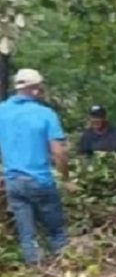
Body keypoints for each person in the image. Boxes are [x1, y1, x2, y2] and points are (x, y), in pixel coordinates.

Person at [0, 68, 71, 265]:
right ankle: (64, 264)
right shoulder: (45, 114)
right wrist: (66, 178)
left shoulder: (1, 111)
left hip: (13, 182)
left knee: (27, 235)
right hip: (40, 181)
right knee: (56, 231)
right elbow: (58, 151)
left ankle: (35, 269)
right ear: (35, 89)